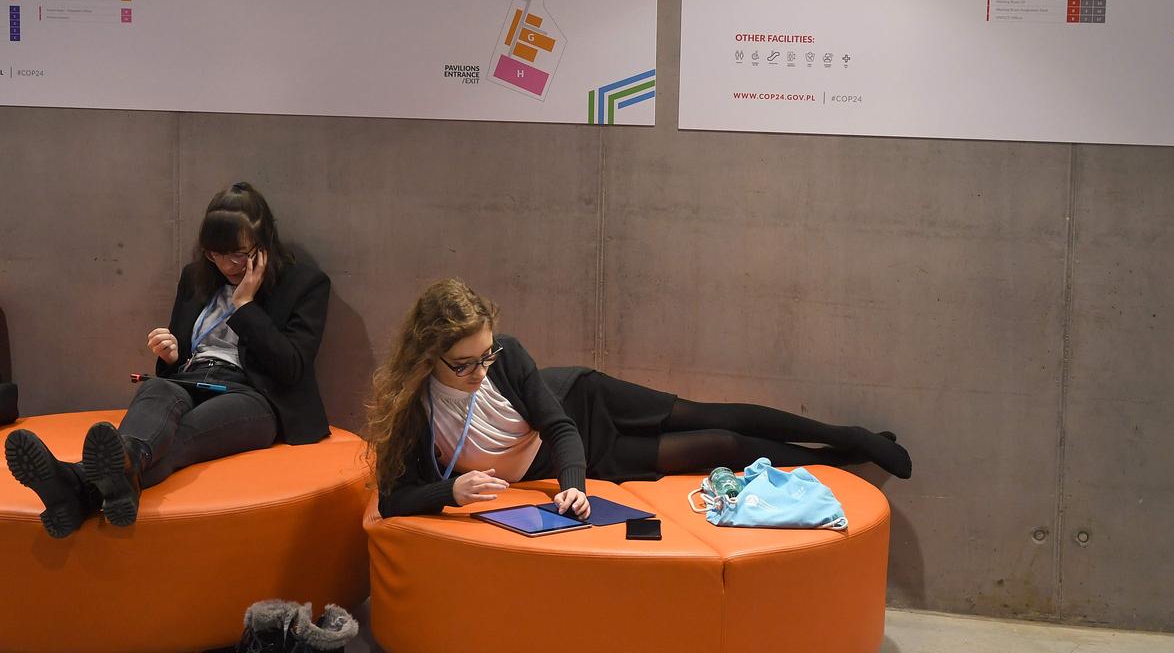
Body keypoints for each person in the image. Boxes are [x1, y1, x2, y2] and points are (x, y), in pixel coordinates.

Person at [366, 278, 911, 522]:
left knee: (711, 419)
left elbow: (559, 427)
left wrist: (573, 489)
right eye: (465, 364)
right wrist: (451, 490)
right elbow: (394, 500)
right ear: (427, 357)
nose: (480, 370)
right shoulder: (415, 408)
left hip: (584, 409)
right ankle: (844, 463)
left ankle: (847, 436)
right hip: (584, 459)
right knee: (715, 447)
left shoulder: (506, 356)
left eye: (485, 356)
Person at [4, 182, 331, 538]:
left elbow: (292, 367)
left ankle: (75, 483)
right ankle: (111, 469)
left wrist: (246, 305)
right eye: (215, 254)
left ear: (263, 242)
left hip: (254, 395)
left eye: (237, 254)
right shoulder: (196, 277)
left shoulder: (303, 284)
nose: (226, 264)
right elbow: (178, 359)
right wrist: (172, 355)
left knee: (184, 436)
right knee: (157, 390)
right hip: (190, 378)